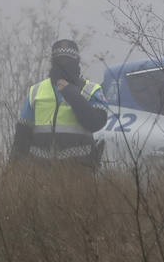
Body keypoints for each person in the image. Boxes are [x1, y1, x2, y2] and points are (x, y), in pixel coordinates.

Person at [10, 39, 111, 168]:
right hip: (40, 169)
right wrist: (13, 168)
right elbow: (22, 135)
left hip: (79, 169)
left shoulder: (91, 90)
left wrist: (71, 93)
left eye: (68, 62)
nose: (64, 66)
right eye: (59, 62)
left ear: (76, 63)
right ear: (53, 63)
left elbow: (95, 123)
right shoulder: (36, 90)